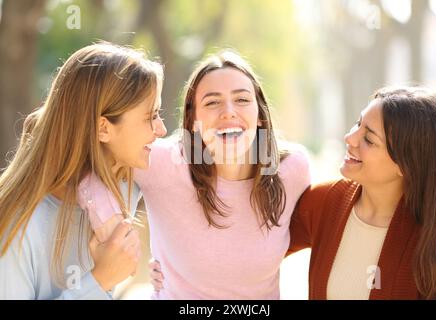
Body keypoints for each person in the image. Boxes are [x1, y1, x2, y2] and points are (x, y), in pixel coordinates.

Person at [77, 50, 311, 299]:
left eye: (242, 100)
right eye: (212, 102)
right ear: (193, 121)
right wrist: (111, 226)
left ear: (260, 115)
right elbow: (89, 162)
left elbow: (296, 233)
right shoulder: (162, 163)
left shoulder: (291, 169)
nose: (229, 112)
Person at [0, 42, 166, 299]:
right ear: (103, 128)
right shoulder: (17, 227)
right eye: (150, 117)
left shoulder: (126, 183)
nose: (161, 129)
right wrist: (99, 280)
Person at [288, 86, 436, 299]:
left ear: (406, 165)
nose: (350, 138)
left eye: (369, 139)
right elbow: (255, 248)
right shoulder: (324, 201)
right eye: (358, 124)